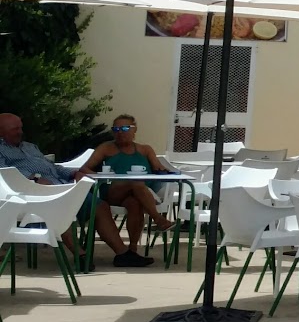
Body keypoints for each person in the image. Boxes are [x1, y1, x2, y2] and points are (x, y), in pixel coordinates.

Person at [78, 114, 177, 268]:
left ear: (134, 129)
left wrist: (164, 170)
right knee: (135, 182)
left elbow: (159, 168)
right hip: (112, 191)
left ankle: (131, 251)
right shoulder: (106, 148)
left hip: (138, 194)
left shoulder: (145, 150)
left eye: (125, 128)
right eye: (116, 129)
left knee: (134, 203)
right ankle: (158, 219)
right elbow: (84, 168)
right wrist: (101, 176)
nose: (120, 132)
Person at [0, 112, 77, 185]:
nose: (20, 132)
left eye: (20, 128)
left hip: (62, 184)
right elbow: (5, 173)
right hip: (36, 189)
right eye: (15, 129)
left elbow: (51, 166)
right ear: (1, 131)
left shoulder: (29, 146)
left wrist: (73, 173)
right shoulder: (2, 150)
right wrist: (35, 179)